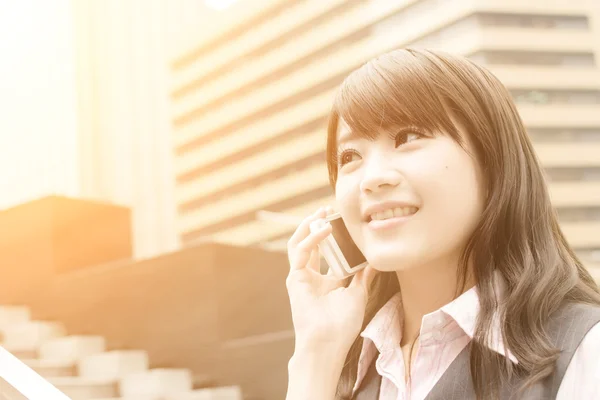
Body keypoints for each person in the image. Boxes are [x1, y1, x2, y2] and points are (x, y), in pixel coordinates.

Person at [284, 48, 600, 400]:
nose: (371, 180)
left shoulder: (584, 351)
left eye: (408, 137)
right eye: (350, 157)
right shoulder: (345, 366)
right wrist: (315, 355)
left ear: (493, 158)